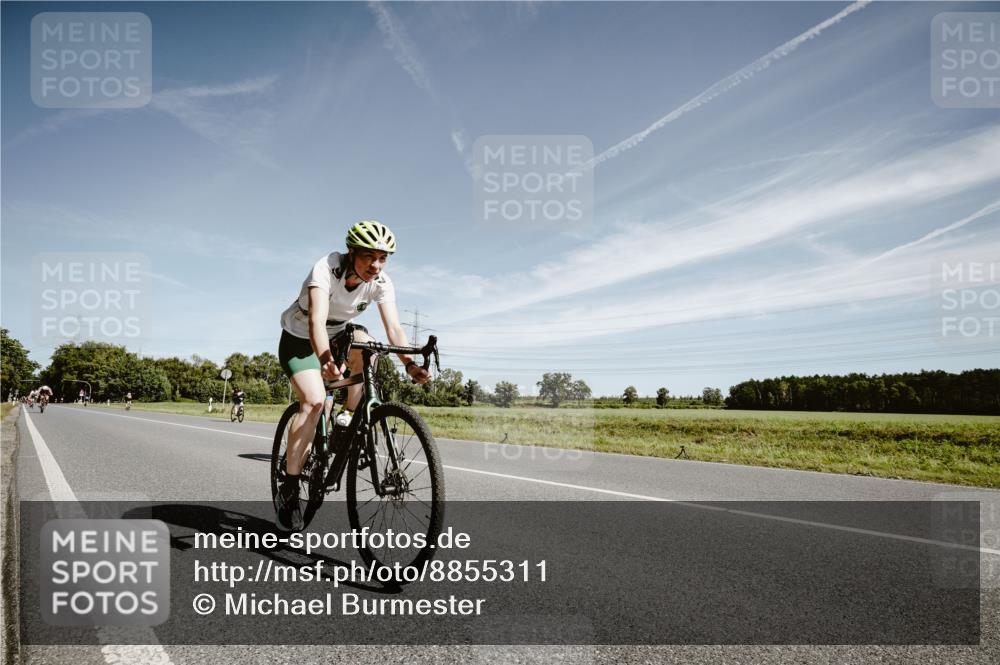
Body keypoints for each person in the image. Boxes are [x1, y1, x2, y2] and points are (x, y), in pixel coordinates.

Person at [275, 220, 431, 531]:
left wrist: (409, 364)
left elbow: (393, 328)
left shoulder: (381, 282)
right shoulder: (326, 268)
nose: (376, 265)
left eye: (383, 258)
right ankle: (290, 487)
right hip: (301, 337)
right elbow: (316, 322)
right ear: (351, 252)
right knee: (315, 402)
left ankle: (347, 417)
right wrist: (325, 360)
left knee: (369, 347)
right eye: (369, 256)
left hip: (338, 334)